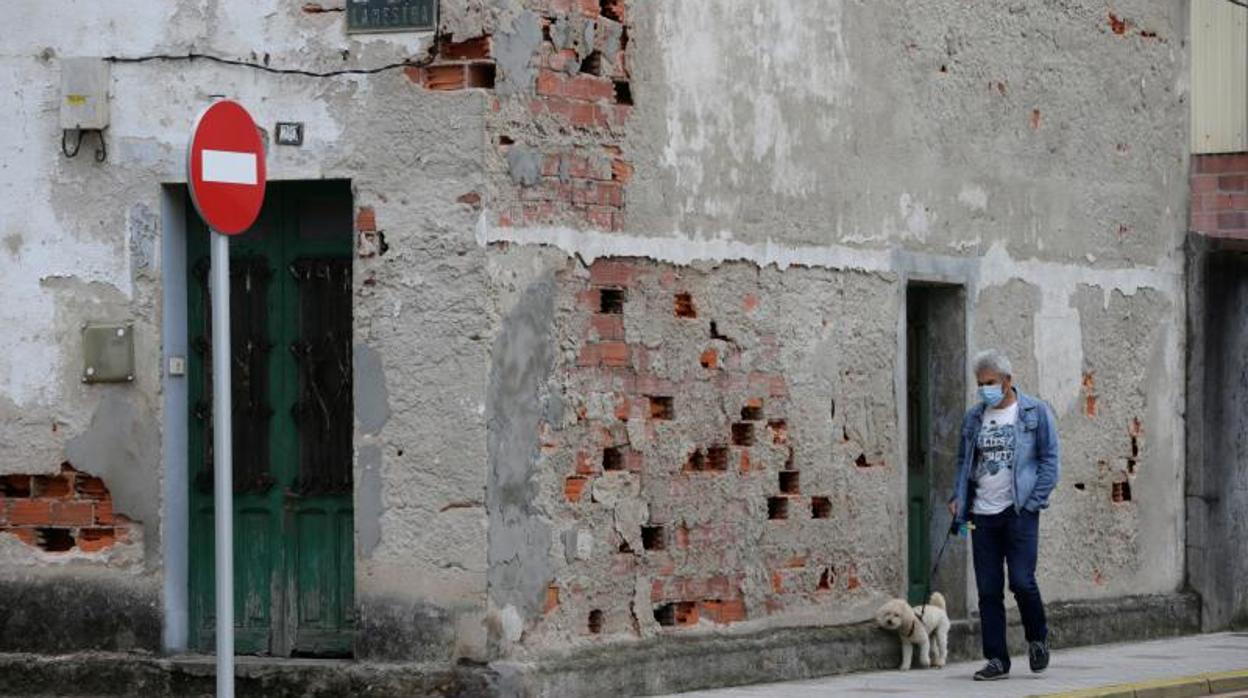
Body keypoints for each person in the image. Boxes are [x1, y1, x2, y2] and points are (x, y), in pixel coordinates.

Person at [947, 349, 1060, 681]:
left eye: (990, 383)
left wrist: (1031, 502)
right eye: (980, 385)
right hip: (981, 514)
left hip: (1019, 512)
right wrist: (959, 496)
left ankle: (1037, 638)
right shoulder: (974, 418)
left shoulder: (1034, 413)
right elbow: (963, 462)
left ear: (1008, 381)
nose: (985, 390)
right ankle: (997, 659)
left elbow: (1050, 462)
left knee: (1023, 582)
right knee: (988, 589)